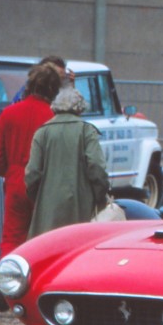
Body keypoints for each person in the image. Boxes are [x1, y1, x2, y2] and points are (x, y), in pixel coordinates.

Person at [0, 63, 61, 311]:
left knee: (11, 237)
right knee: (44, 237)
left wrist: (8, 172)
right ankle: (38, 288)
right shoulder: (53, 118)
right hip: (44, 184)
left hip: (16, 180)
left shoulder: (10, 113)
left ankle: (7, 285)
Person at [25, 87, 110, 239]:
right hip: (81, 208)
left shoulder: (42, 132)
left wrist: (39, 198)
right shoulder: (86, 130)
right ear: (80, 107)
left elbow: (32, 173)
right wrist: (100, 196)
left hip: (48, 210)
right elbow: (96, 166)